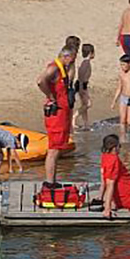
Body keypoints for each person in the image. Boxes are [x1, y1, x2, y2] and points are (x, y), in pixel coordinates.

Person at [36, 38, 79, 185]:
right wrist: (50, 95)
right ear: (65, 56)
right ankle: (49, 182)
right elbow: (40, 81)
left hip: (62, 113)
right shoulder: (54, 68)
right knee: (53, 150)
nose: (72, 62)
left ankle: (52, 180)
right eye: (72, 59)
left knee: (58, 148)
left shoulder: (64, 68)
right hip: (56, 114)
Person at [72, 43, 95, 133]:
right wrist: (81, 89)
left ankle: (86, 124)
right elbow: (81, 76)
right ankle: (74, 117)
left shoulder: (86, 62)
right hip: (81, 85)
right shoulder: (85, 63)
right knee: (88, 104)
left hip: (83, 84)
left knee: (84, 104)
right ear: (91, 53)